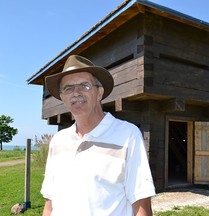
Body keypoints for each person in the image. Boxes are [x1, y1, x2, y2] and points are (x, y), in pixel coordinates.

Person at [41, 55, 156, 216]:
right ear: (63, 98)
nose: (76, 93)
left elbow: (142, 206)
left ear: (99, 93)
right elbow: (50, 204)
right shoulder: (58, 141)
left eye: (84, 85)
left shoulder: (128, 135)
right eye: (68, 88)